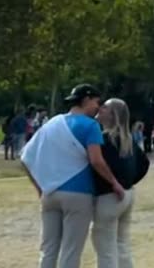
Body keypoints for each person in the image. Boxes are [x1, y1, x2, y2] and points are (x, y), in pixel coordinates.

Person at [21, 84, 125, 268]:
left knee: (48, 249)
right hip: (78, 193)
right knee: (71, 250)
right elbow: (96, 161)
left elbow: (26, 157)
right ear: (86, 100)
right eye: (96, 102)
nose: (97, 107)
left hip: (50, 193)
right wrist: (114, 182)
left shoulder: (52, 123)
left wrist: (40, 188)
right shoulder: (90, 125)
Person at [93, 98, 149, 268]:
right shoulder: (128, 140)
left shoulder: (104, 139)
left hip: (109, 196)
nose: (100, 109)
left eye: (104, 108)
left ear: (113, 114)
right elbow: (144, 164)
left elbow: (97, 164)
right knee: (121, 244)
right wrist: (128, 182)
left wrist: (115, 182)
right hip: (127, 194)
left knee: (105, 248)